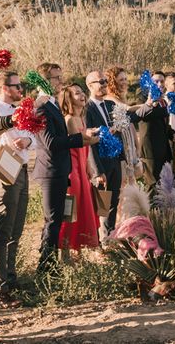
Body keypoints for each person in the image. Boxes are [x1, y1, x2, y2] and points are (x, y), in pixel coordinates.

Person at [32, 69, 99, 270]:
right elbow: (50, 142)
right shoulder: (41, 107)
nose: (61, 81)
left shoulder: (51, 104)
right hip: (51, 170)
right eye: (57, 77)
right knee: (53, 221)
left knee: (58, 218)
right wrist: (81, 139)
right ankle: (46, 267)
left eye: (61, 76)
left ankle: (51, 264)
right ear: (45, 80)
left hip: (60, 169)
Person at [0, 71, 31, 308]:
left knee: (17, 226)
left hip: (23, 167)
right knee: (3, 226)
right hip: (4, 165)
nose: (21, 90)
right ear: (4, 88)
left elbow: (31, 135)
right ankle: (0, 287)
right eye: (17, 86)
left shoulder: (18, 110)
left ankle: (11, 278)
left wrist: (28, 141)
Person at [58, 83, 100, 255]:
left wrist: (89, 166)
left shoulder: (82, 119)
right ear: (69, 99)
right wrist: (102, 135)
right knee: (71, 209)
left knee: (83, 208)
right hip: (72, 170)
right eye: (77, 93)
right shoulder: (69, 119)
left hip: (82, 168)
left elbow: (85, 148)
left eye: (82, 92)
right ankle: (66, 249)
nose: (82, 95)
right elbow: (81, 142)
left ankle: (79, 249)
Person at [85, 70, 122, 241]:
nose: (104, 84)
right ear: (90, 86)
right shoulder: (87, 109)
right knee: (101, 204)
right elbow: (89, 142)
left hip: (114, 160)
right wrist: (97, 170)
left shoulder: (110, 105)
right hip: (100, 163)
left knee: (113, 201)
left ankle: (110, 236)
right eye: (100, 82)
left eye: (105, 81)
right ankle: (97, 241)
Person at [133, 71, 172, 190]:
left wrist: (172, 133)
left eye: (162, 81)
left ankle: (162, 208)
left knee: (164, 183)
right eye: (156, 81)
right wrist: (157, 104)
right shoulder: (142, 96)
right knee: (152, 183)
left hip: (163, 147)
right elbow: (145, 115)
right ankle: (149, 209)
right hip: (150, 148)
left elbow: (164, 123)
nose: (159, 84)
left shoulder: (163, 100)